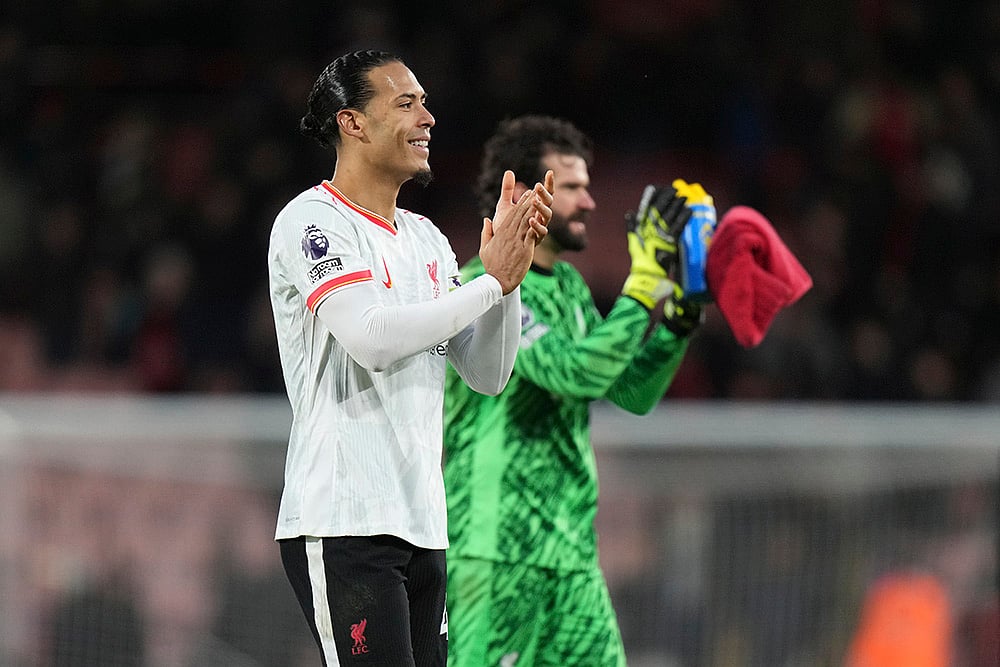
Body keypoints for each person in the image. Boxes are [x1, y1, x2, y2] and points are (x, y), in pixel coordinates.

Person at [267, 51, 553, 667]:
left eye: (424, 101)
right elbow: (372, 337)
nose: (427, 116)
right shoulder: (312, 222)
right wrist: (488, 284)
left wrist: (510, 278)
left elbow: (486, 373)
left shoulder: (426, 239)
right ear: (353, 123)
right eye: (406, 103)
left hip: (422, 523)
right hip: (343, 520)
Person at [443, 115, 710, 666]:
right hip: (495, 549)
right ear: (520, 197)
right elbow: (571, 372)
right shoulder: (478, 287)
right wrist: (642, 286)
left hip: (570, 551)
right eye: (571, 188)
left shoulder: (567, 287)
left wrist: (679, 317)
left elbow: (630, 389)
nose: (589, 203)